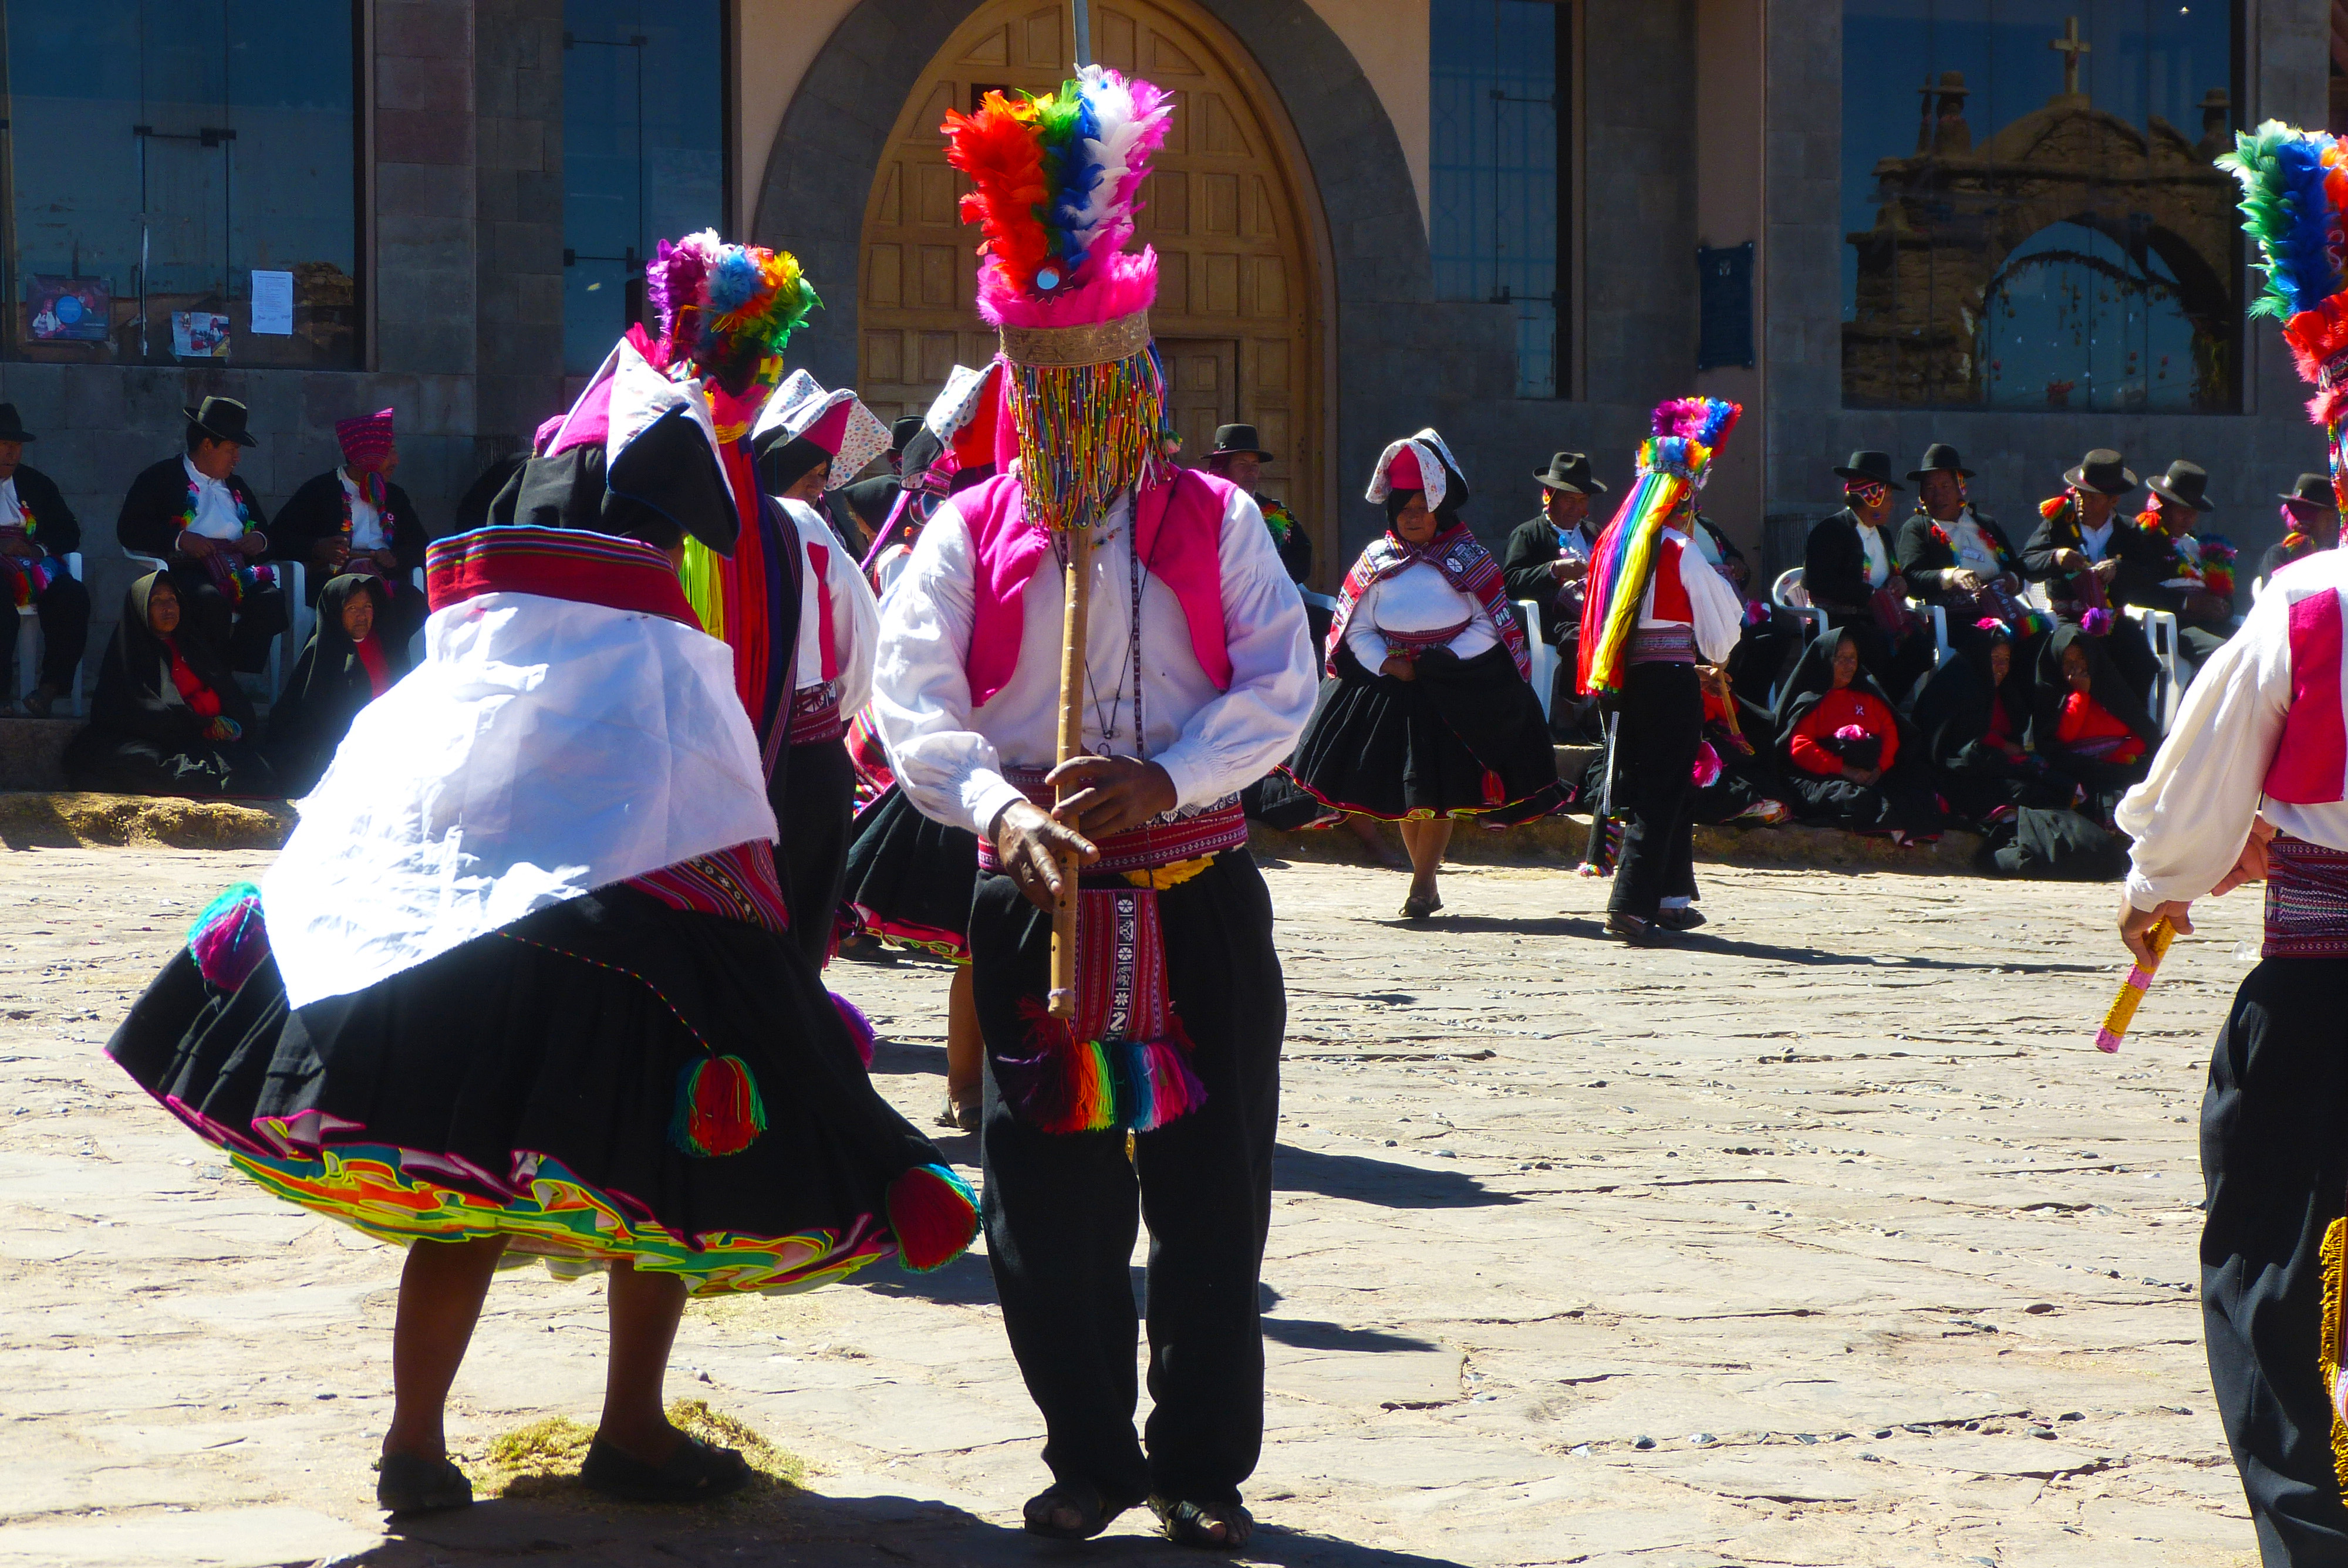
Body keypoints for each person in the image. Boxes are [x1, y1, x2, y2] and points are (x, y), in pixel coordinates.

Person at [109, 334, 977, 1520]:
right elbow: (766, 760)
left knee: (464, 1176)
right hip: (642, 934)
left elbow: (417, 756)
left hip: (477, 928)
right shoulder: (721, 594)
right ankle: (623, 1425)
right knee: (657, 1180)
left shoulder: (503, 601)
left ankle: (417, 1441)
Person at [878, 67, 1315, 1548]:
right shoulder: (965, 531)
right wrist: (1002, 811)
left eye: (1097, 390)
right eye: (1045, 393)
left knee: (1211, 1198)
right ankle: (1087, 1447)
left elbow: (1280, 686)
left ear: (1140, 386)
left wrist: (1166, 777)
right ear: (1021, 392)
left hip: (1192, 895)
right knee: (1048, 1207)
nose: (1073, 416)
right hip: (1036, 896)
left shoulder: (1220, 521)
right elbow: (911, 702)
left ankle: (1200, 1457)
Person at [1276, 430, 1563, 918]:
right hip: (1392, 691)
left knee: (1440, 793)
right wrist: (1389, 664)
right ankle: (1425, 883)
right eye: (1404, 509)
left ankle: (1423, 883)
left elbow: (1491, 624)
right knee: (1413, 795)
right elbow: (1356, 628)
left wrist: (1440, 661)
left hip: (1455, 692)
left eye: (1421, 509)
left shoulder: (1470, 559)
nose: (1412, 518)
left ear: (1439, 512)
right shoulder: (1376, 560)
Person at [840, 362, 1006, 1132]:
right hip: (973, 769)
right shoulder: (934, 557)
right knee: (981, 941)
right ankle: (968, 1090)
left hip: (1035, 764)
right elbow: (902, 674)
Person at [1576, 398, 1747, 940]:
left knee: (1666, 785)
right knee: (1663, 788)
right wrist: (1707, 656)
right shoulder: (1679, 550)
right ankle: (1629, 904)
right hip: (1670, 682)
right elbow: (1724, 632)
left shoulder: (1613, 546)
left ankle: (1671, 897)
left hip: (1624, 682)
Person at [750, 373, 884, 972]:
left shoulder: (702, 523)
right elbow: (864, 645)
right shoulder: (805, 526)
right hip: (805, 757)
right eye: (812, 481)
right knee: (797, 936)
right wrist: (831, 714)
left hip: (723, 756)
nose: (819, 495)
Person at [115, 397, 289, 674]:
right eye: (232, 449)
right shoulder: (160, 478)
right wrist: (180, 539)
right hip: (188, 568)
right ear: (208, 445)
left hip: (236, 568)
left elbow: (267, 534)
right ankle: (210, 675)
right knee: (209, 602)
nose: (237, 458)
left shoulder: (237, 485)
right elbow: (129, 529)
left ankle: (231, 675)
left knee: (270, 600)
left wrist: (260, 540)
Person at [63, 572, 275, 796]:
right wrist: (192, 721)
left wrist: (217, 722)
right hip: (155, 738)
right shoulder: (131, 652)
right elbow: (134, 711)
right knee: (131, 758)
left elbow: (229, 694)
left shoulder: (192, 644)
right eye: (157, 601)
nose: (168, 607)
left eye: (172, 599)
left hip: (203, 736)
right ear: (141, 610)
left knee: (257, 771)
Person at [269, 408, 430, 656]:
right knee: (355, 601)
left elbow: (421, 546)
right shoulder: (320, 491)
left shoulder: (395, 496)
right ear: (366, 455)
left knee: (413, 602)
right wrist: (317, 547)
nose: (396, 461)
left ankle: (386, 674)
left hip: (384, 578)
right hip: (333, 580)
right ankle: (339, 676)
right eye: (389, 452)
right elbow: (278, 538)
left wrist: (395, 557)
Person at [1769, 626, 1945, 842]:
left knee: (1917, 782)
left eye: (1852, 658)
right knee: (1854, 799)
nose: (1849, 665)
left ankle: (1900, 826)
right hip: (1827, 776)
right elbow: (1801, 748)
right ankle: (1891, 824)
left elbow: (1891, 732)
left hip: (1872, 773)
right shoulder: (1811, 700)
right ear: (1826, 660)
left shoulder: (1868, 697)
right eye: (1840, 658)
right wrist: (1846, 770)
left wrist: (1880, 767)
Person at [2019, 448, 2165, 705]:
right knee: (2078, 649)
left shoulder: (2129, 531)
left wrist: (2118, 570)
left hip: (2112, 620)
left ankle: (2128, 731)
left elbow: (2150, 575)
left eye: (2093, 498)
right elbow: (2027, 562)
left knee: (2142, 660)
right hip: (2068, 619)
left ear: (2113, 501)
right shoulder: (2059, 525)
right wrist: (2056, 557)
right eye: (2080, 494)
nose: (2082, 502)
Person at [1910, 619, 2073, 828]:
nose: (2001, 667)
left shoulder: (2001, 692)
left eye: (2006, 659)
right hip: (1960, 771)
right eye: (1995, 658)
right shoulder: (1958, 688)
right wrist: (2003, 750)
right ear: (1980, 656)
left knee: (2055, 783)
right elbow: (1958, 745)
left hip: (1992, 764)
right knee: (2025, 792)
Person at [1802, 451, 1936, 700]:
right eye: (1888, 497)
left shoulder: (1883, 535)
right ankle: (1868, 708)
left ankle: (1885, 707)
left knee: (1920, 647)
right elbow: (1818, 582)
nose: (1892, 504)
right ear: (1872, 495)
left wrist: (1898, 583)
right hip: (1841, 622)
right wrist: (1869, 595)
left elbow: (1889, 575)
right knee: (1873, 644)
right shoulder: (1831, 531)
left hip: (1880, 621)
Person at [266, 574, 409, 795]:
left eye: (367, 606)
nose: (362, 616)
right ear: (336, 612)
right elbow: (304, 722)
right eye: (352, 608)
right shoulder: (320, 653)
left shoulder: (388, 646)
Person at [1502, 451, 1608, 739]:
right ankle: (1566, 712)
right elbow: (1510, 582)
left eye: (1583, 500)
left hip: (1593, 613)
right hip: (1553, 618)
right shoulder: (1528, 535)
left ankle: (1601, 715)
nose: (1577, 508)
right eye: (1569, 499)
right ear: (1549, 496)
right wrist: (1554, 571)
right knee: (1579, 640)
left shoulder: (1593, 534)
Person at [0, 403, 91, 716]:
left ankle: (50, 689)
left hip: (31, 565)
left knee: (72, 596)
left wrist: (37, 550)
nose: (10, 454)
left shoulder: (36, 485)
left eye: (16, 446)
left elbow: (68, 532)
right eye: (3, 445)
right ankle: (1, 696)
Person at [1894, 442, 2039, 640]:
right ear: (1922, 495)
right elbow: (1912, 577)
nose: (1938, 495)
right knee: (1991, 641)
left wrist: (2010, 579)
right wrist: (1952, 576)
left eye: (1946, 486)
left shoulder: (1985, 524)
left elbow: (2018, 569)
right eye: (1930, 488)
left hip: (2003, 610)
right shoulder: (1918, 528)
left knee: (2041, 636)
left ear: (1960, 488)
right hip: (1958, 621)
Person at [2120, 459, 2236, 665]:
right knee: (2223, 655)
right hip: (2174, 628)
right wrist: (2187, 602)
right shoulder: (2142, 539)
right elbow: (2137, 590)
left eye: (2194, 513)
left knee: (2257, 646)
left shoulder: (2196, 546)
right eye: (2183, 511)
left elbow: (2224, 595)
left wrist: (2224, 608)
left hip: (2209, 625)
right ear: (2164, 508)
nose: (2189, 519)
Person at [2031, 623, 2160, 808]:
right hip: (2080, 767)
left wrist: (2116, 758)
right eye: (2068, 662)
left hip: (2118, 763)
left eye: (2081, 659)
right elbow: (2063, 738)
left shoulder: (2109, 687)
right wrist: (2081, 695)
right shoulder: (2055, 696)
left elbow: (2143, 732)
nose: (2076, 667)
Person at [1203, 423, 1312, 587]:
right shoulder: (1204, 510)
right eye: (1242, 464)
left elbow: (1301, 556)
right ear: (1222, 468)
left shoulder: (1276, 512)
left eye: (1255, 465)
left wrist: (1273, 581)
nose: (1251, 471)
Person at [2261, 472, 2339, 585]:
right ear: (2308, 520)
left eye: (2333, 519)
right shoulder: (2279, 555)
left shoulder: (2334, 557)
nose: (2332, 526)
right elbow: (2276, 596)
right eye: (2327, 519)